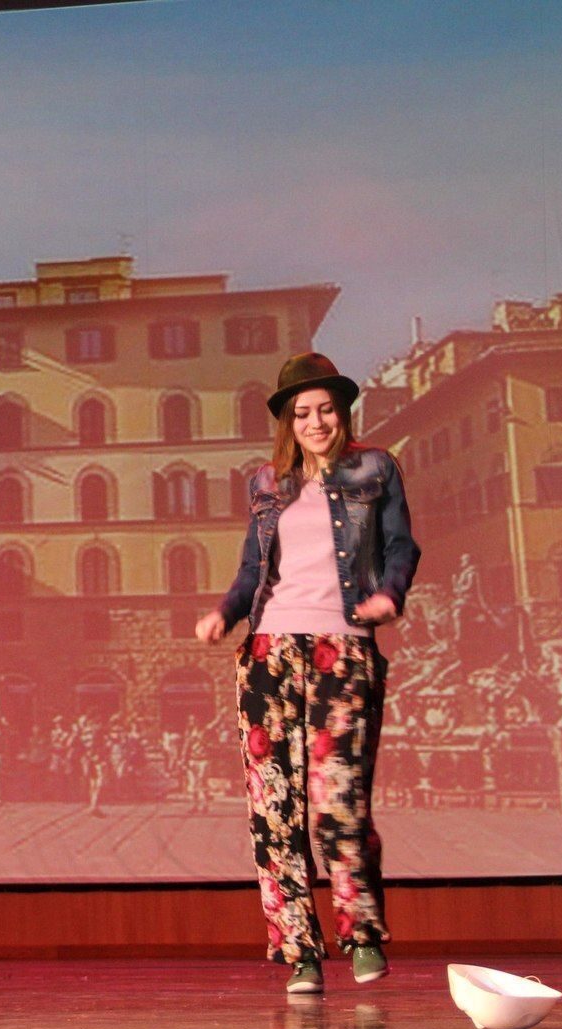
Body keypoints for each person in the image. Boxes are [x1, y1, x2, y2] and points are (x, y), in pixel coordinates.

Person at [195, 353, 419, 995]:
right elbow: (252, 568)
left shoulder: (376, 468)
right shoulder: (268, 482)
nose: (315, 422)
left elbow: (401, 545)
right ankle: (298, 950)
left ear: (342, 413)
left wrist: (390, 595)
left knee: (338, 798)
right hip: (268, 651)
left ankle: (362, 934)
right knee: (275, 806)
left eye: (325, 409)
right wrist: (225, 613)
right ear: (288, 422)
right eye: (302, 413)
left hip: (342, 648)